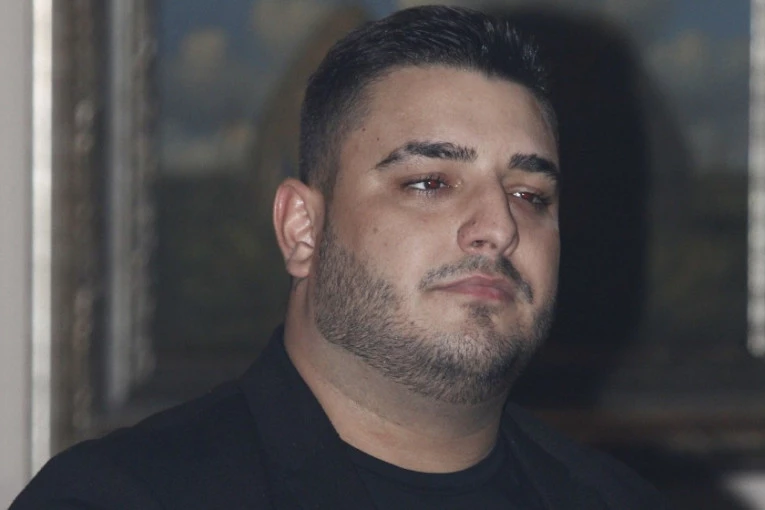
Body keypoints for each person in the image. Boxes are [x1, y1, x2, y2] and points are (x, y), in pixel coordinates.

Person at [12, 5, 665, 509]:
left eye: (529, 194)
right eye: (429, 182)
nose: (498, 227)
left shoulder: (618, 502)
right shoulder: (118, 498)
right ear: (302, 230)